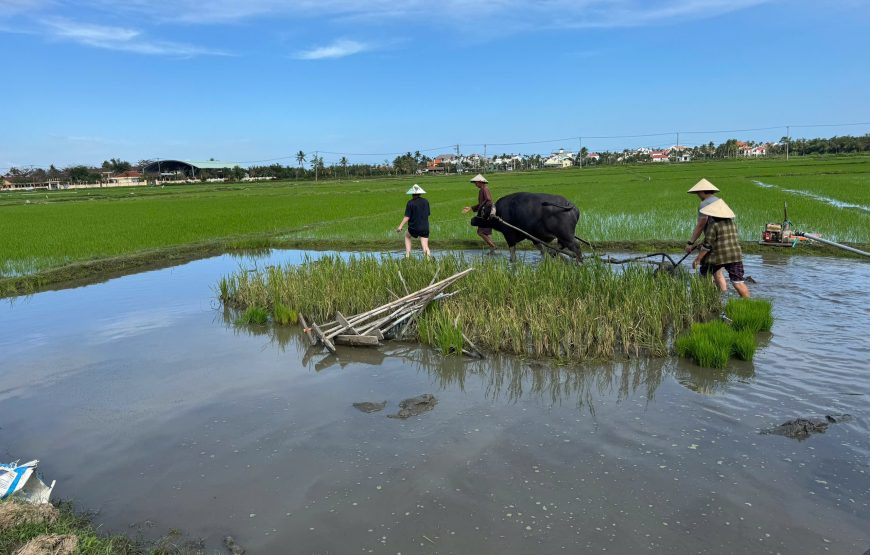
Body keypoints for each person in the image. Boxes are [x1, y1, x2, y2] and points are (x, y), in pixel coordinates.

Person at [692, 198, 751, 298]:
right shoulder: (731, 223)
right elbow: (722, 238)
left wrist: (698, 260)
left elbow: (707, 246)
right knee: (738, 282)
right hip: (735, 256)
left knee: (705, 272)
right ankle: (748, 302)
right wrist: (703, 242)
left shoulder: (713, 225)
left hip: (719, 257)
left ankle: (707, 298)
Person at [686, 178, 726, 291]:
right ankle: (721, 294)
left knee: (711, 270)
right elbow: (718, 225)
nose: (698, 195)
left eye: (698, 193)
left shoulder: (704, 204)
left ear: (702, 191)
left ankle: (706, 293)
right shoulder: (719, 201)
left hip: (713, 242)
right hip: (724, 240)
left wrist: (690, 242)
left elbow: (701, 224)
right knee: (718, 271)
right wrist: (704, 239)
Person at [462, 174, 497, 254]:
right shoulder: (482, 189)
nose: (475, 184)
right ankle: (492, 251)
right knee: (487, 232)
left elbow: (488, 200)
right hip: (486, 213)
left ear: (480, 182)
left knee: (480, 232)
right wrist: (470, 208)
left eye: (476, 182)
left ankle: (493, 246)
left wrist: (482, 209)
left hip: (486, 213)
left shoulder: (484, 189)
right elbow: (482, 203)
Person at [396, 184, 431, 257]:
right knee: (425, 245)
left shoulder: (410, 203)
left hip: (414, 228)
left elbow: (407, 217)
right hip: (425, 228)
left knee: (407, 236)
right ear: (420, 193)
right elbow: (427, 214)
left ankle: (408, 256)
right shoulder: (426, 201)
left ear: (412, 194)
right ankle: (428, 259)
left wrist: (400, 226)